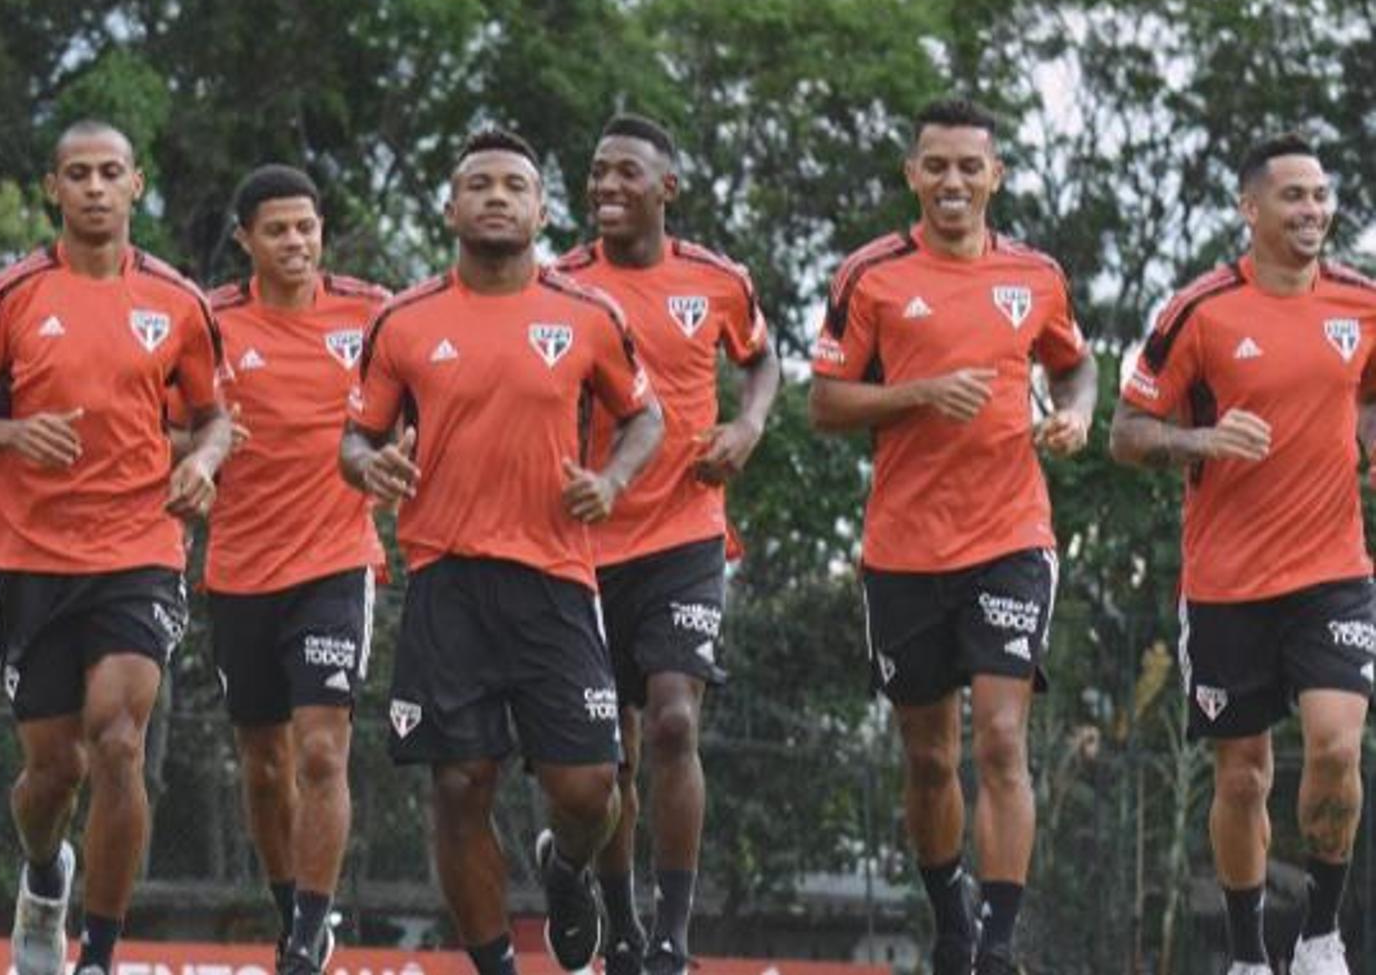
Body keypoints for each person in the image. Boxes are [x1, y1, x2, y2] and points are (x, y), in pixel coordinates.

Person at [340, 127, 664, 975]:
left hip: (556, 579)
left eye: (513, 185)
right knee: (459, 785)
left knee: (592, 789)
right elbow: (355, 436)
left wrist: (615, 482)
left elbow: (646, 416)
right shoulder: (403, 322)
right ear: (449, 208)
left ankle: (565, 867)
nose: (494, 196)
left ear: (541, 209)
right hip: (447, 581)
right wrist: (370, 462)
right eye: (477, 184)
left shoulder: (589, 317)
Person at [808, 97, 1095, 975]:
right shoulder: (872, 276)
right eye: (937, 165)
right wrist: (921, 393)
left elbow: (1074, 361)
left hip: (1011, 533)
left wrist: (1077, 413)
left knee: (1002, 740)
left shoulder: (1036, 276)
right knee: (930, 758)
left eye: (971, 166)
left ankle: (1000, 943)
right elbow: (824, 402)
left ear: (997, 175)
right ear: (912, 174)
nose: (954, 182)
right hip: (903, 548)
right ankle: (951, 921)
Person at [0, 120, 233, 975]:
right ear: (52, 188)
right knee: (53, 771)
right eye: (76, 174)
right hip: (30, 556)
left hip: (138, 547)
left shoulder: (178, 302)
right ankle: (46, 876)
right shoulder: (9, 297)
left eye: (108, 173)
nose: (93, 188)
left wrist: (205, 462)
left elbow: (215, 415)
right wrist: (10, 434)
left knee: (119, 738)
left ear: (136, 184)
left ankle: (101, 955)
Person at [1109, 133, 1372, 975]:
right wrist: (1204, 437)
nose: (1312, 211)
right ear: (1250, 209)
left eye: (1321, 195)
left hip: (1333, 569)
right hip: (1226, 583)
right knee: (1243, 779)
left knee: (1335, 747)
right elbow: (1125, 434)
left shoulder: (1361, 302)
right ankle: (1252, 956)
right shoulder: (1200, 310)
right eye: (1293, 196)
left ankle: (1322, 935)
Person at [553, 114, 780, 975]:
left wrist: (748, 424)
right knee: (612, 755)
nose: (609, 187)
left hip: (688, 529)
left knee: (677, 720)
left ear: (667, 188)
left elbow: (762, 360)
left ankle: (674, 942)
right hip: (585, 541)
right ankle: (618, 924)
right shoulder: (560, 283)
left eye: (627, 174)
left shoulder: (717, 280)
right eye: (598, 173)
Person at [202, 165, 388, 975]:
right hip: (240, 569)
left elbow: (424, 395)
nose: (296, 243)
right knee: (266, 762)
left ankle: (310, 935)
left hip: (336, 562)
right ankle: (289, 907)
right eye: (277, 229)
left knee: (321, 752)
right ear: (245, 238)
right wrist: (197, 451)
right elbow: (160, 419)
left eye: (307, 227)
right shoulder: (206, 321)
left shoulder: (374, 312)